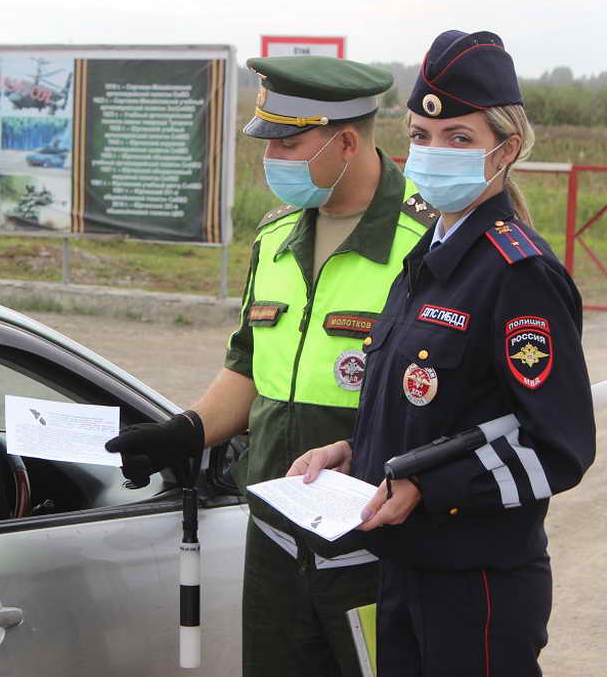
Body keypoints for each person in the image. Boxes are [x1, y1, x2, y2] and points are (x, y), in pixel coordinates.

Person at [107, 55, 438, 676]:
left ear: (345, 141)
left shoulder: (428, 238)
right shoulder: (276, 237)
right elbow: (249, 367)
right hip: (276, 538)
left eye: (289, 143)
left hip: (375, 543)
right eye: (269, 143)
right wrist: (187, 430)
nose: (273, 159)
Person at [287, 31, 596, 676]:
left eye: (459, 138)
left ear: (504, 150)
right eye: (421, 137)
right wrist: (354, 452)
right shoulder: (429, 253)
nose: (432, 152)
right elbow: (424, 402)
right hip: (403, 564)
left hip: (477, 582)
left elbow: (558, 446)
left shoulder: (518, 272)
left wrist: (431, 488)